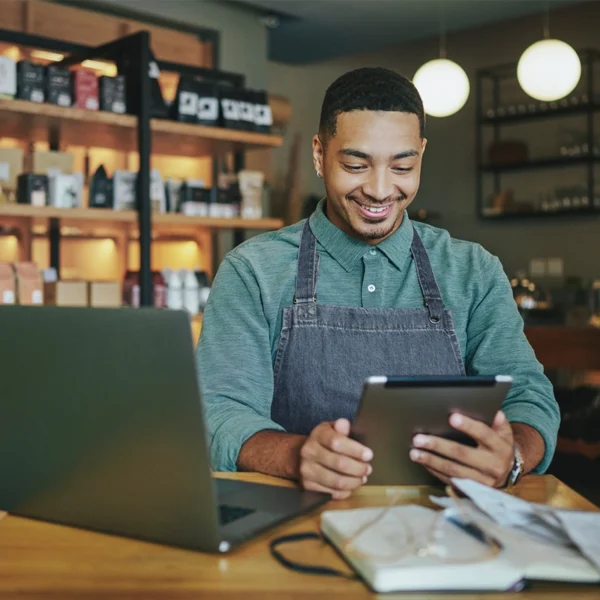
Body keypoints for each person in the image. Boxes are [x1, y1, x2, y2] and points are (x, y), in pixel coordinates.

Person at [197, 67, 559, 499]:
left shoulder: (473, 270)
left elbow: (530, 398)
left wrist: (511, 455)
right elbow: (218, 411)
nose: (380, 190)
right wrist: (295, 455)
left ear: (422, 154)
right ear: (319, 154)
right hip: (294, 527)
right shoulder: (252, 271)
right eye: (355, 164)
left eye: (402, 165)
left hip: (444, 531)